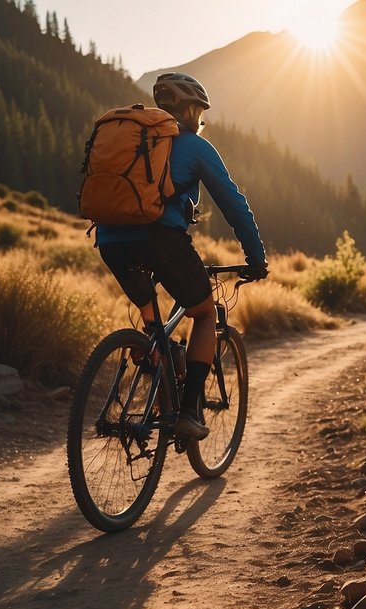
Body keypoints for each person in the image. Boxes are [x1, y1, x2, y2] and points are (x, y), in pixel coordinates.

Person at [95, 72, 267, 441]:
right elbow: (234, 204)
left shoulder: (137, 142)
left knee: (153, 323)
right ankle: (188, 411)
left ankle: (156, 364)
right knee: (203, 313)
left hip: (109, 239)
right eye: (200, 114)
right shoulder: (193, 146)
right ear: (190, 110)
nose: (201, 122)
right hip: (159, 239)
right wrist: (256, 257)